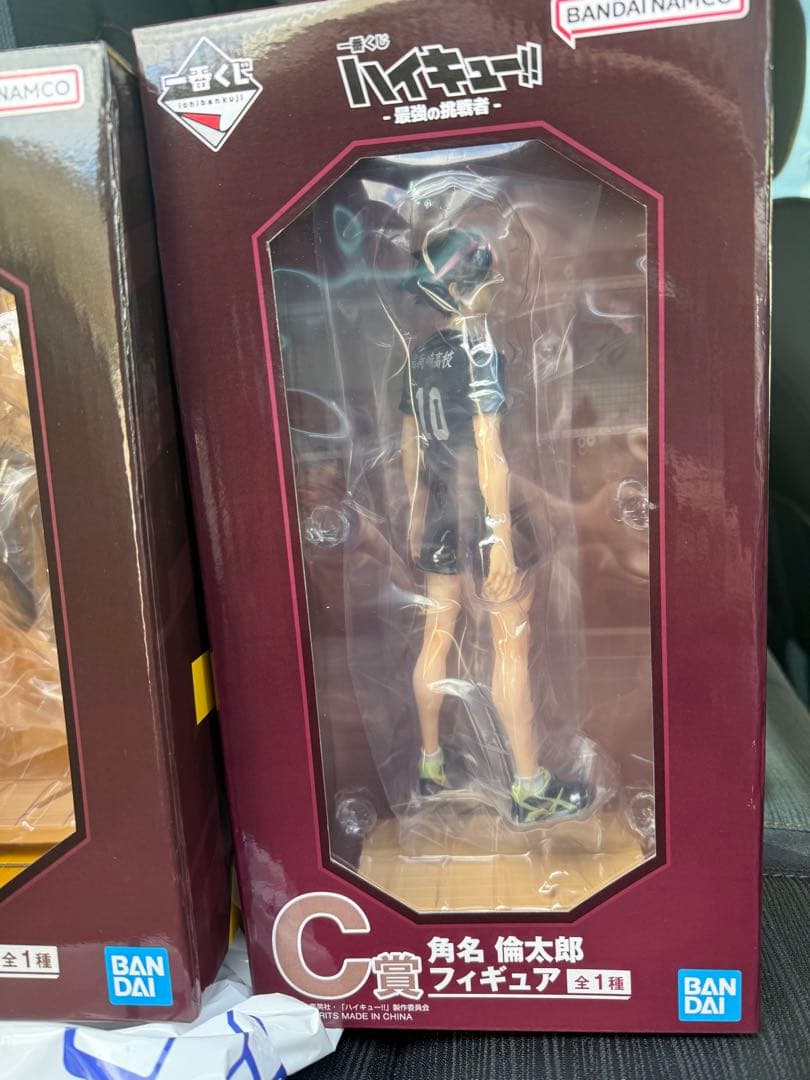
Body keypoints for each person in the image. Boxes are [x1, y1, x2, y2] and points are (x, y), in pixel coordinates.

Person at [399, 228, 590, 824]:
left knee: (436, 634)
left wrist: (414, 513)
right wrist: (500, 536)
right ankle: (529, 787)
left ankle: (430, 765)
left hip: (438, 512)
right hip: (483, 515)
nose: (495, 288)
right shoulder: (479, 351)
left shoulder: (419, 356)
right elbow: (489, 448)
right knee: (510, 645)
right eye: (486, 279)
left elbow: (410, 440)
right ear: (463, 287)